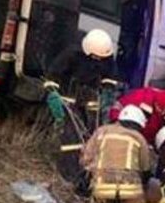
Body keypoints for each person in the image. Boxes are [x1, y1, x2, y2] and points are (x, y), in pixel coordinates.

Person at [43, 29, 123, 181]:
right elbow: (52, 77)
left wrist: (108, 92)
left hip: (91, 98)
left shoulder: (106, 56)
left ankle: (88, 172)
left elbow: (110, 77)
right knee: (71, 136)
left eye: (102, 58)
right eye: (96, 57)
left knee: (93, 136)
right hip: (69, 97)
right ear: (87, 51)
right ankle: (70, 174)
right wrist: (53, 94)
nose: (99, 60)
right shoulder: (71, 55)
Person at [80, 105, 155, 203]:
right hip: (130, 188)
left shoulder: (101, 131)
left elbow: (86, 158)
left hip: (101, 185)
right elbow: (145, 167)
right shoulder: (139, 138)